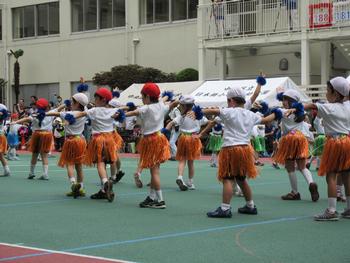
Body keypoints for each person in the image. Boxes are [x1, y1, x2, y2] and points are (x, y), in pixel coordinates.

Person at [200, 87, 278, 218]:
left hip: (230, 149)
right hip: (245, 149)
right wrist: (277, 113)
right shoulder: (251, 114)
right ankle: (250, 205)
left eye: (227, 100)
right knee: (241, 179)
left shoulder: (228, 112)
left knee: (227, 178)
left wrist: (196, 111)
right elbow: (266, 120)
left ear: (231, 100)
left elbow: (213, 111)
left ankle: (225, 208)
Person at [115, 83, 177, 209]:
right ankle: (152, 196)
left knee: (154, 172)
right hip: (160, 138)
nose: (141, 99)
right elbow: (164, 100)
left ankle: (160, 200)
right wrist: (169, 99)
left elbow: (134, 112)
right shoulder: (161, 105)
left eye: (142, 96)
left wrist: (120, 114)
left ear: (147, 96)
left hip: (151, 141)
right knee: (155, 170)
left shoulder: (146, 108)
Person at [299, 77, 350, 221]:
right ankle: (349, 209)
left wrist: (295, 107)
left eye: (328, 90)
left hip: (334, 142)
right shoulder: (348, 106)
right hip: (347, 141)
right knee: (347, 176)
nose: (326, 93)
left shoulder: (329, 107)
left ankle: (332, 210)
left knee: (331, 176)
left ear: (335, 93)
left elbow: (310, 106)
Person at [74, 88, 120, 202]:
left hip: (98, 139)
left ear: (103, 99)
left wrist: (70, 116)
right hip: (109, 139)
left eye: (96, 98)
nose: (94, 100)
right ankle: (104, 190)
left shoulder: (94, 110)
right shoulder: (112, 111)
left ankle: (105, 183)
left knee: (100, 163)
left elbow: (82, 113)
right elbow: (123, 111)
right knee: (107, 162)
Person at [273, 89, 319, 202]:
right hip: (301, 139)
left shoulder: (282, 111)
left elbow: (274, 117)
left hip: (290, 139)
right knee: (302, 166)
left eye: (285, 99)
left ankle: (294, 192)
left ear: (290, 101)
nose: (283, 102)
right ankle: (311, 183)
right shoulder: (301, 113)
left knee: (290, 167)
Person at [45, 93, 89, 198]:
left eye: (72, 101)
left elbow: (53, 114)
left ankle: (73, 184)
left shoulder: (68, 114)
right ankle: (81, 188)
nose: (71, 103)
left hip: (71, 140)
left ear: (76, 103)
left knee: (70, 164)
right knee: (79, 166)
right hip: (81, 140)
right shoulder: (84, 113)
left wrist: (43, 113)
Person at [165, 95, 208, 191]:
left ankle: (180, 177)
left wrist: (164, 132)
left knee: (182, 160)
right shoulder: (198, 116)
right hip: (193, 138)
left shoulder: (181, 116)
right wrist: (201, 133)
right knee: (191, 162)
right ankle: (191, 182)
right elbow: (208, 122)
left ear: (183, 106)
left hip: (183, 138)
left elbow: (171, 123)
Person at [12, 98, 59, 180]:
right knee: (44, 155)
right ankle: (45, 174)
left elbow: (26, 119)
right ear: (46, 106)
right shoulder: (50, 113)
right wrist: (66, 103)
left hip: (37, 134)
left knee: (35, 154)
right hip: (47, 134)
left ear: (38, 106)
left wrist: (15, 122)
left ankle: (31, 172)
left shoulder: (34, 114)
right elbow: (59, 108)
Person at [0, 104, 11, 177]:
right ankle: (7, 170)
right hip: (1, 136)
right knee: (0, 155)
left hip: (0, 136)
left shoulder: (1, 118)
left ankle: (7, 170)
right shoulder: (3, 118)